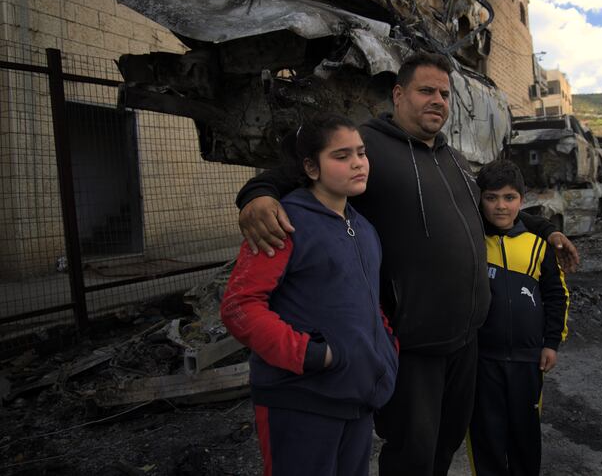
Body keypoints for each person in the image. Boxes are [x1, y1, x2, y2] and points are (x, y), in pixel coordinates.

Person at [235, 52, 580, 476]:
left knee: (447, 441)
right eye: (425, 91)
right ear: (399, 95)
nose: (437, 100)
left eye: (444, 93)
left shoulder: (454, 161)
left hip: (465, 339)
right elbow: (296, 173)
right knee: (411, 453)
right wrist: (258, 195)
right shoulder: (368, 146)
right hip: (413, 343)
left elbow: (493, 212)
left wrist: (546, 231)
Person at [220, 114, 399, 476]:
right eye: (341, 155)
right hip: (301, 402)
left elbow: (367, 299)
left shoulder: (363, 227)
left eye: (361, 153)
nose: (357, 163)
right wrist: (311, 354)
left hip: (356, 399)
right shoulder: (283, 224)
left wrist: (385, 347)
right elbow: (240, 306)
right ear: (310, 167)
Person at [468, 159, 569, 476]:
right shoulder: (470, 242)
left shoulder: (539, 245)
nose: (500, 206)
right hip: (482, 360)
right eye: (491, 197)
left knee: (525, 436)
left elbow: (556, 295)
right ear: (480, 199)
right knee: (486, 437)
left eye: (509, 198)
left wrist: (551, 343)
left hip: (528, 361)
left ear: (521, 200)